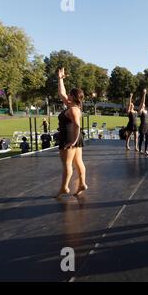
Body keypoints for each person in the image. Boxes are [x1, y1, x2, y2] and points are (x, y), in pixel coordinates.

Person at [55, 68, 88, 199]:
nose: (67, 95)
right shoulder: (73, 106)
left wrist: (73, 141)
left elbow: (78, 125)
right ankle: (82, 184)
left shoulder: (73, 109)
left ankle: (64, 187)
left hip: (70, 137)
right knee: (78, 161)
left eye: (69, 94)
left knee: (67, 164)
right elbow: (61, 93)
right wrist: (60, 79)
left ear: (73, 97)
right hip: (75, 137)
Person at [138, 89, 148, 156]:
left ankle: (146, 150)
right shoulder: (140, 111)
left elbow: (143, 103)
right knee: (142, 138)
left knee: (147, 139)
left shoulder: (146, 111)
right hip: (142, 126)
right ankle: (140, 150)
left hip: (147, 126)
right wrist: (144, 94)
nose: (143, 104)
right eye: (142, 104)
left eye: (143, 104)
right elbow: (142, 102)